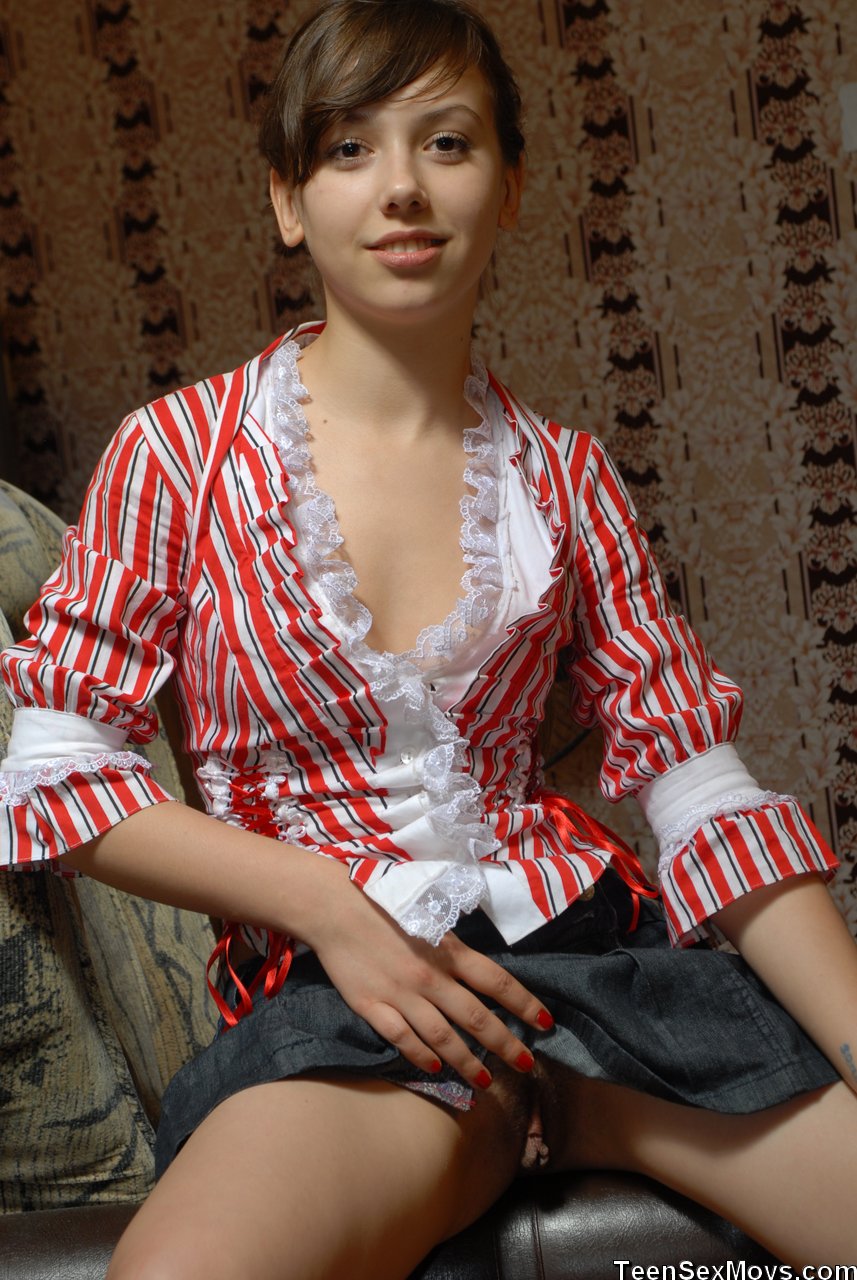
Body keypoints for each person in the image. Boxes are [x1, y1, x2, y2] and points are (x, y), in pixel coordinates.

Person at [2, 0, 856, 1273]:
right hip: (350, 1005)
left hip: (600, 977)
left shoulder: (564, 476)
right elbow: (58, 777)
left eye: (445, 142)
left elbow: (702, 793)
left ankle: (585, 1103)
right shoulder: (175, 455)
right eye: (349, 149)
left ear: (506, 189)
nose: (400, 186)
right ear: (289, 200)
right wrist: (328, 904)